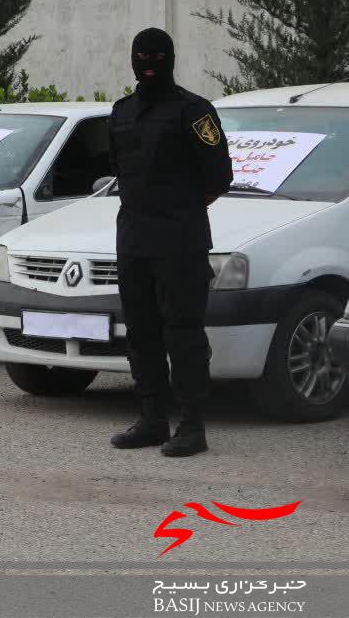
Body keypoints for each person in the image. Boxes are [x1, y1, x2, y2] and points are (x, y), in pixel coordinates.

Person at [108, 27, 233, 457]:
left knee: (183, 335)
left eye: (156, 57)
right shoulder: (121, 112)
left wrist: (179, 211)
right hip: (134, 242)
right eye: (140, 56)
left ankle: (192, 426)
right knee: (141, 334)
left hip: (180, 243)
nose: (148, 64)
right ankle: (152, 420)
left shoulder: (194, 111)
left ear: (170, 59)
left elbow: (220, 176)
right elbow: (122, 173)